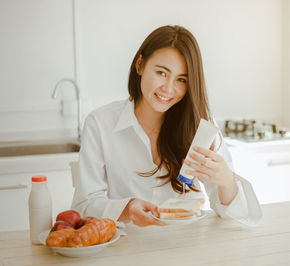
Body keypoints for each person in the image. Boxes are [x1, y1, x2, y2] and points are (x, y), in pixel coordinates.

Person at [71, 25, 262, 227]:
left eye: (181, 79)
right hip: (125, 250)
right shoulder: (100, 124)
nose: (169, 89)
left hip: (188, 249)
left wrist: (226, 180)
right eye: (161, 73)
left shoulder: (201, 127)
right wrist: (127, 210)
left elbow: (240, 218)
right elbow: (84, 205)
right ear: (140, 65)